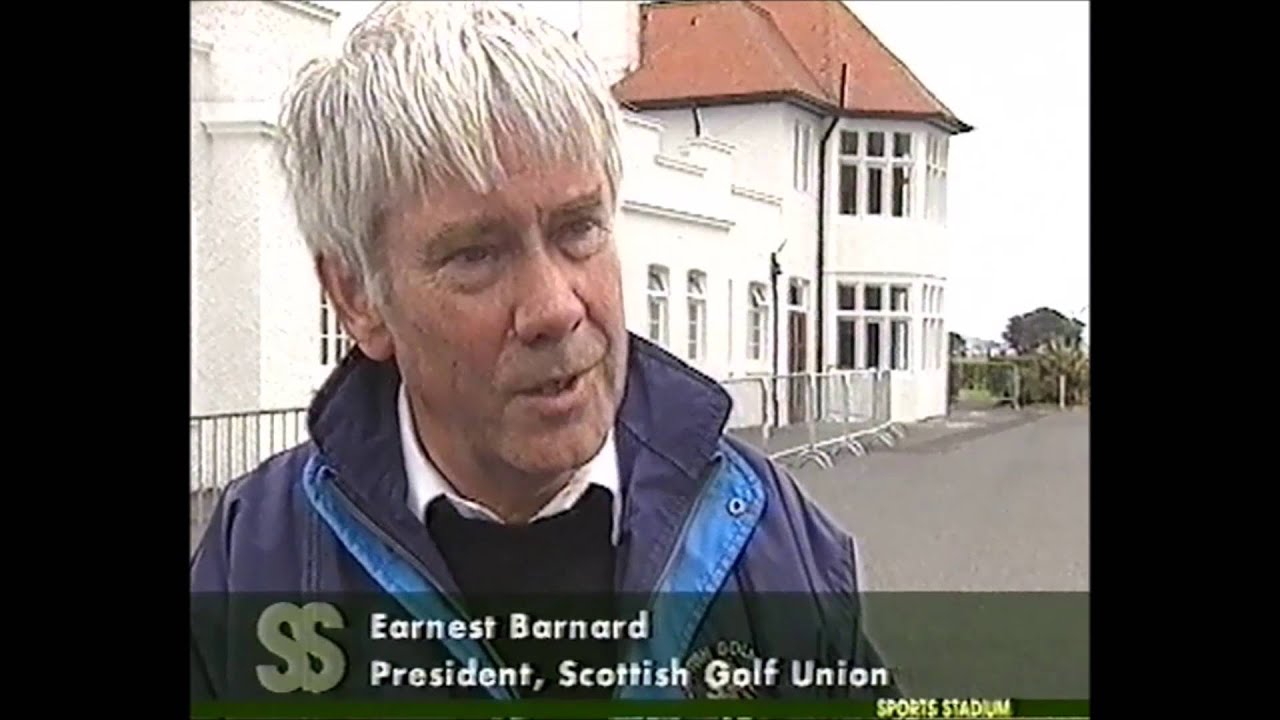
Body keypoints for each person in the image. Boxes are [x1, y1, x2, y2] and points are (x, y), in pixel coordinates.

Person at [190, 0, 896, 704]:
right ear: (357, 298)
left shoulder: (772, 537)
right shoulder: (256, 560)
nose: (556, 308)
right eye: (475, 255)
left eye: (578, 229)